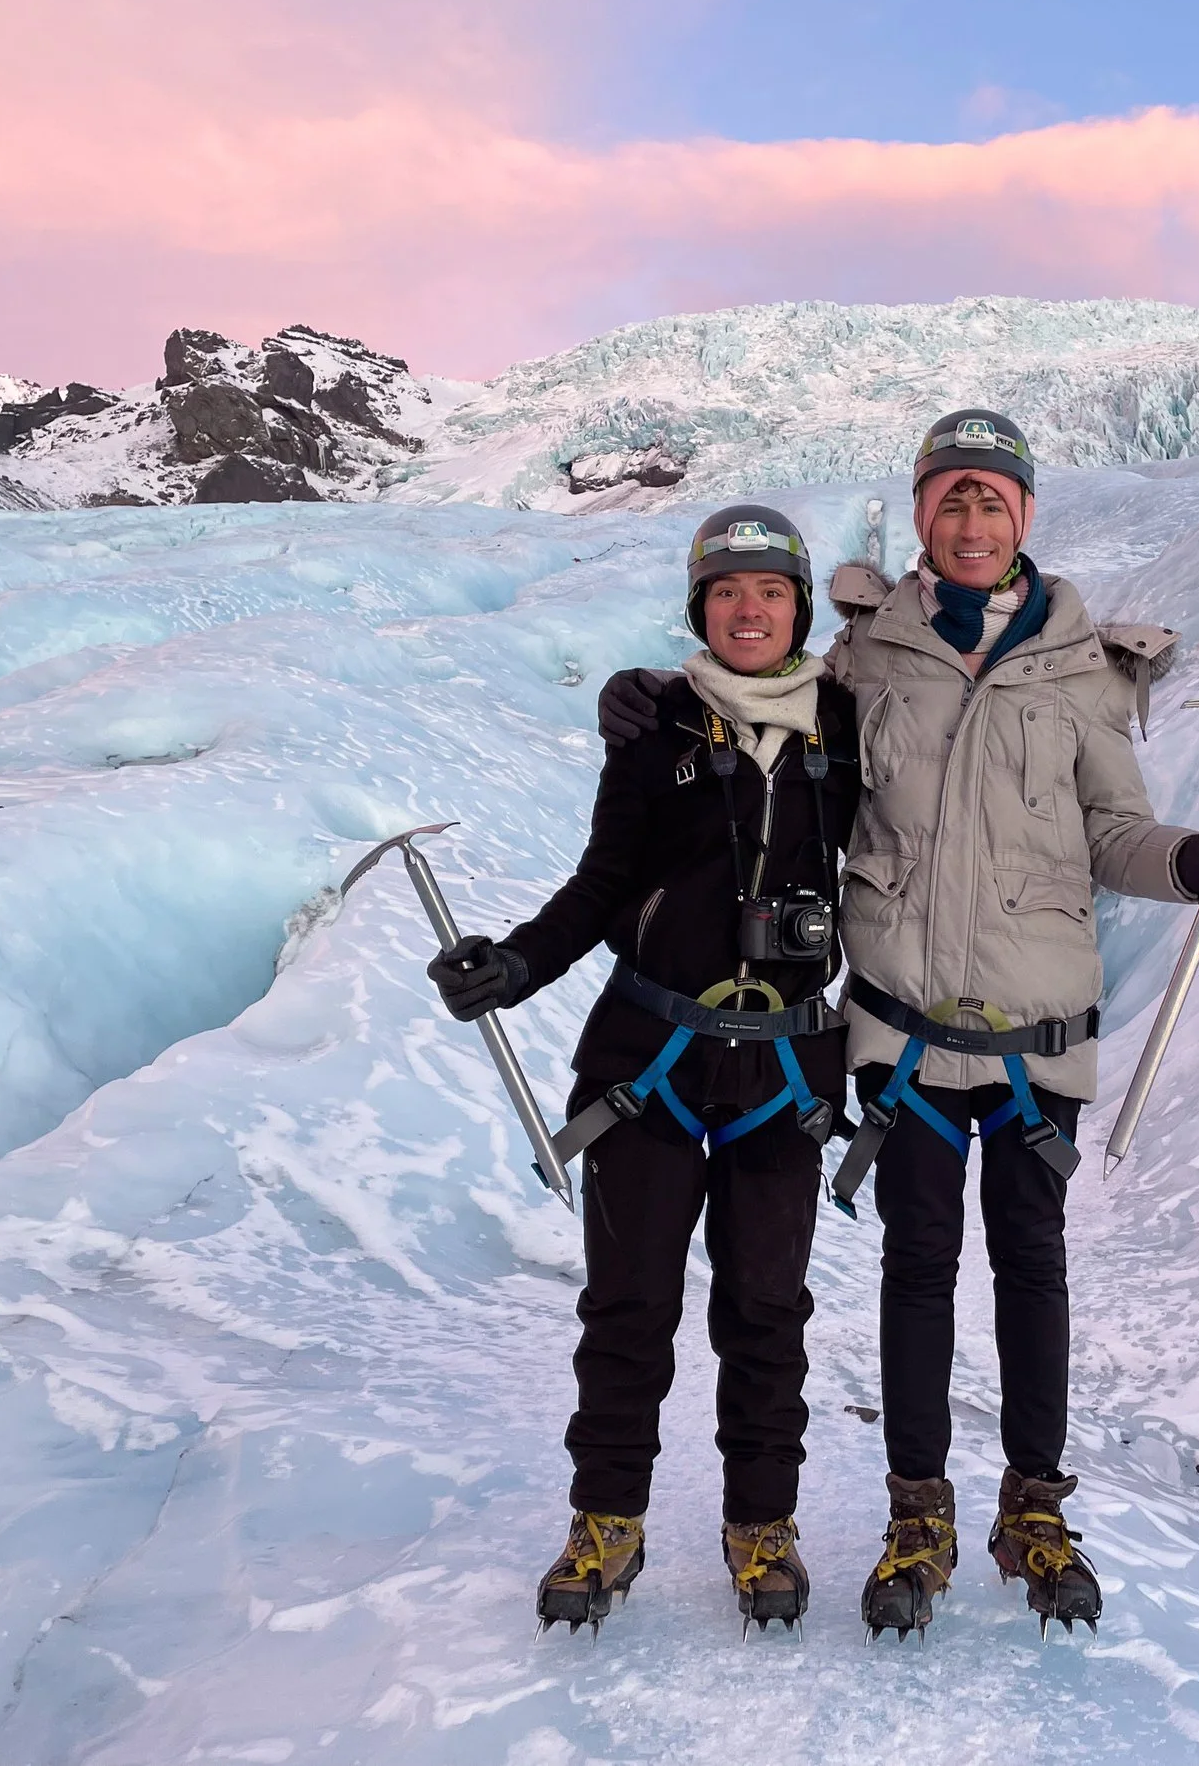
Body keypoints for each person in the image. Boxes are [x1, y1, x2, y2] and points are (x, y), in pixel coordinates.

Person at [601, 412, 1199, 1637]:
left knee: (1031, 1265)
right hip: (900, 1027)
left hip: (1038, 1027)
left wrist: (1186, 859)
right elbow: (768, 724)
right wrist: (652, 700)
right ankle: (919, 1513)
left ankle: (1033, 1510)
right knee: (918, 1267)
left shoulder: (1083, 667)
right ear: (919, 513)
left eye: (991, 500)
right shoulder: (867, 658)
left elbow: (1114, 831)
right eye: (950, 498)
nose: (970, 521)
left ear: (1024, 515)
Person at [434, 504, 859, 1635]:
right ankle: (606, 1519)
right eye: (726, 591)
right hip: (648, 1061)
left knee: (766, 1311)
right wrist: (517, 963)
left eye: (770, 591)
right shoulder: (655, 725)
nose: (749, 609)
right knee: (629, 1307)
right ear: (699, 609)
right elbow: (604, 881)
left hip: (785, 1071)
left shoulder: (849, 730)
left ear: (800, 608)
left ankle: (761, 1522)